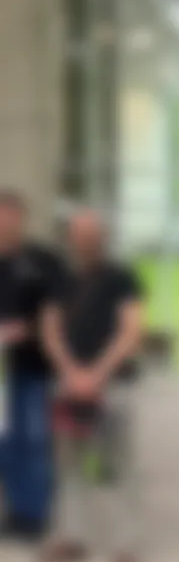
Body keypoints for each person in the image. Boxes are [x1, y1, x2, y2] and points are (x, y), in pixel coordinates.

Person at [35, 209, 143, 562]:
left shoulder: (120, 277)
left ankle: (124, 549)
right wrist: (70, 373)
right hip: (68, 385)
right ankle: (74, 538)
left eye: (92, 233)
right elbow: (49, 328)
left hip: (113, 386)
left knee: (117, 468)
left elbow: (130, 331)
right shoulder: (60, 280)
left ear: (102, 236)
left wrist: (96, 374)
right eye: (79, 234)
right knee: (69, 467)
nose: (85, 240)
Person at [0, 191, 60, 542]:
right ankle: (18, 510)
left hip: (34, 370)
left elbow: (61, 312)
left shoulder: (41, 262)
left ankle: (34, 516)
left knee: (34, 440)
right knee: (6, 444)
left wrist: (27, 328)